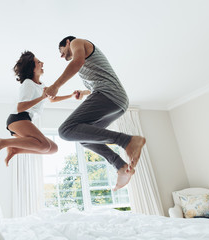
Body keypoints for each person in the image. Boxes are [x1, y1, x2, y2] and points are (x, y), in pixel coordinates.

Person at [45, 36, 146, 191]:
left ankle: (127, 141)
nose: (61, 55)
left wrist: (56, 86)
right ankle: (120, 166)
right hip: (117, 101)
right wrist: (83, 92)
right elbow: (95, 81)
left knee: (65, 130)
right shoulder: (85, 57)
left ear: (67, 43)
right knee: (84, 139)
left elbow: (77, 63)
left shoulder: (76, 42)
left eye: (61, 50)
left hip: (108, 95)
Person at [0, 51, 79, 166]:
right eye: (38, 62)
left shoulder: (41, 85)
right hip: (18, 118)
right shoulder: (28, 83)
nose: (42, 63)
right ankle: (2, 142)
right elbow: (20, 107)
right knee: (44, 145)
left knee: (53, 148)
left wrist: (71, 95)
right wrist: (42, 97)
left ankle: (15, 149)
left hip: (24, 120)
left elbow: (52, 98)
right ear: (32, 68)